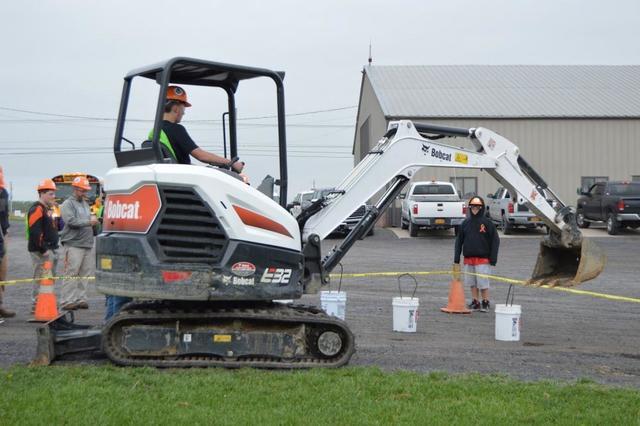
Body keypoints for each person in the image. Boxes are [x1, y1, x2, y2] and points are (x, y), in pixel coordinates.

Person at [157, 86, 247, 178]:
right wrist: (231, 163)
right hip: (183, 179)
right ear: (176, 108)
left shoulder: (156, 132)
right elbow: (201, 156)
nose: (184, 113)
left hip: (172, 176)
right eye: (183, 108)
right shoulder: (176, 129)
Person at [453, 195, 500, 312]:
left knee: (483, 283)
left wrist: (493, 258)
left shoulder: (488, 223)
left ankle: (485, 302)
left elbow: (495, 240)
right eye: (473, 207)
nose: (475, 209)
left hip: (483, 260)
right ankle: (475, 302)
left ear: (482, 208)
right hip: (469, 259)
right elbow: (459, 241)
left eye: (478, 207)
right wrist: (456, 258)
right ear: (470, 207)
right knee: (472, 282)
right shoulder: (465, 223)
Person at [59, 176, 98, 310]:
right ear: (75, 189)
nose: (85, 193)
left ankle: (81, 299)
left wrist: (94, 223)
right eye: (82, 190)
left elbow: (89, 221)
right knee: (71, 273)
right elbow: (70, 221)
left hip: (87, 244)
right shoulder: (67, 204)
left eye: (86, 190)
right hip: (74, 244)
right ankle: (67, 301)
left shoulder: (85, 204)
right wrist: (89, 222)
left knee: (84, 274)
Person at [27, 179, 60, 312]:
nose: (53, 196)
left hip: (51, 249)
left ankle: (46, 303)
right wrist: (43, 248)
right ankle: (37, 305)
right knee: (41, 277)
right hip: (42, 251)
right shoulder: (37, 209)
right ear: (42, 194)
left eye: (53, 194)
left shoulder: (48, 209)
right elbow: (35, 231)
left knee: (48, 278)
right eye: (50, 194)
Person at [0, 167, 14, 318]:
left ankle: (0, 304)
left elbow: (3, 214)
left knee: (2, 272)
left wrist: (5, 231)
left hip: (1, 235)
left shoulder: (2, 192)